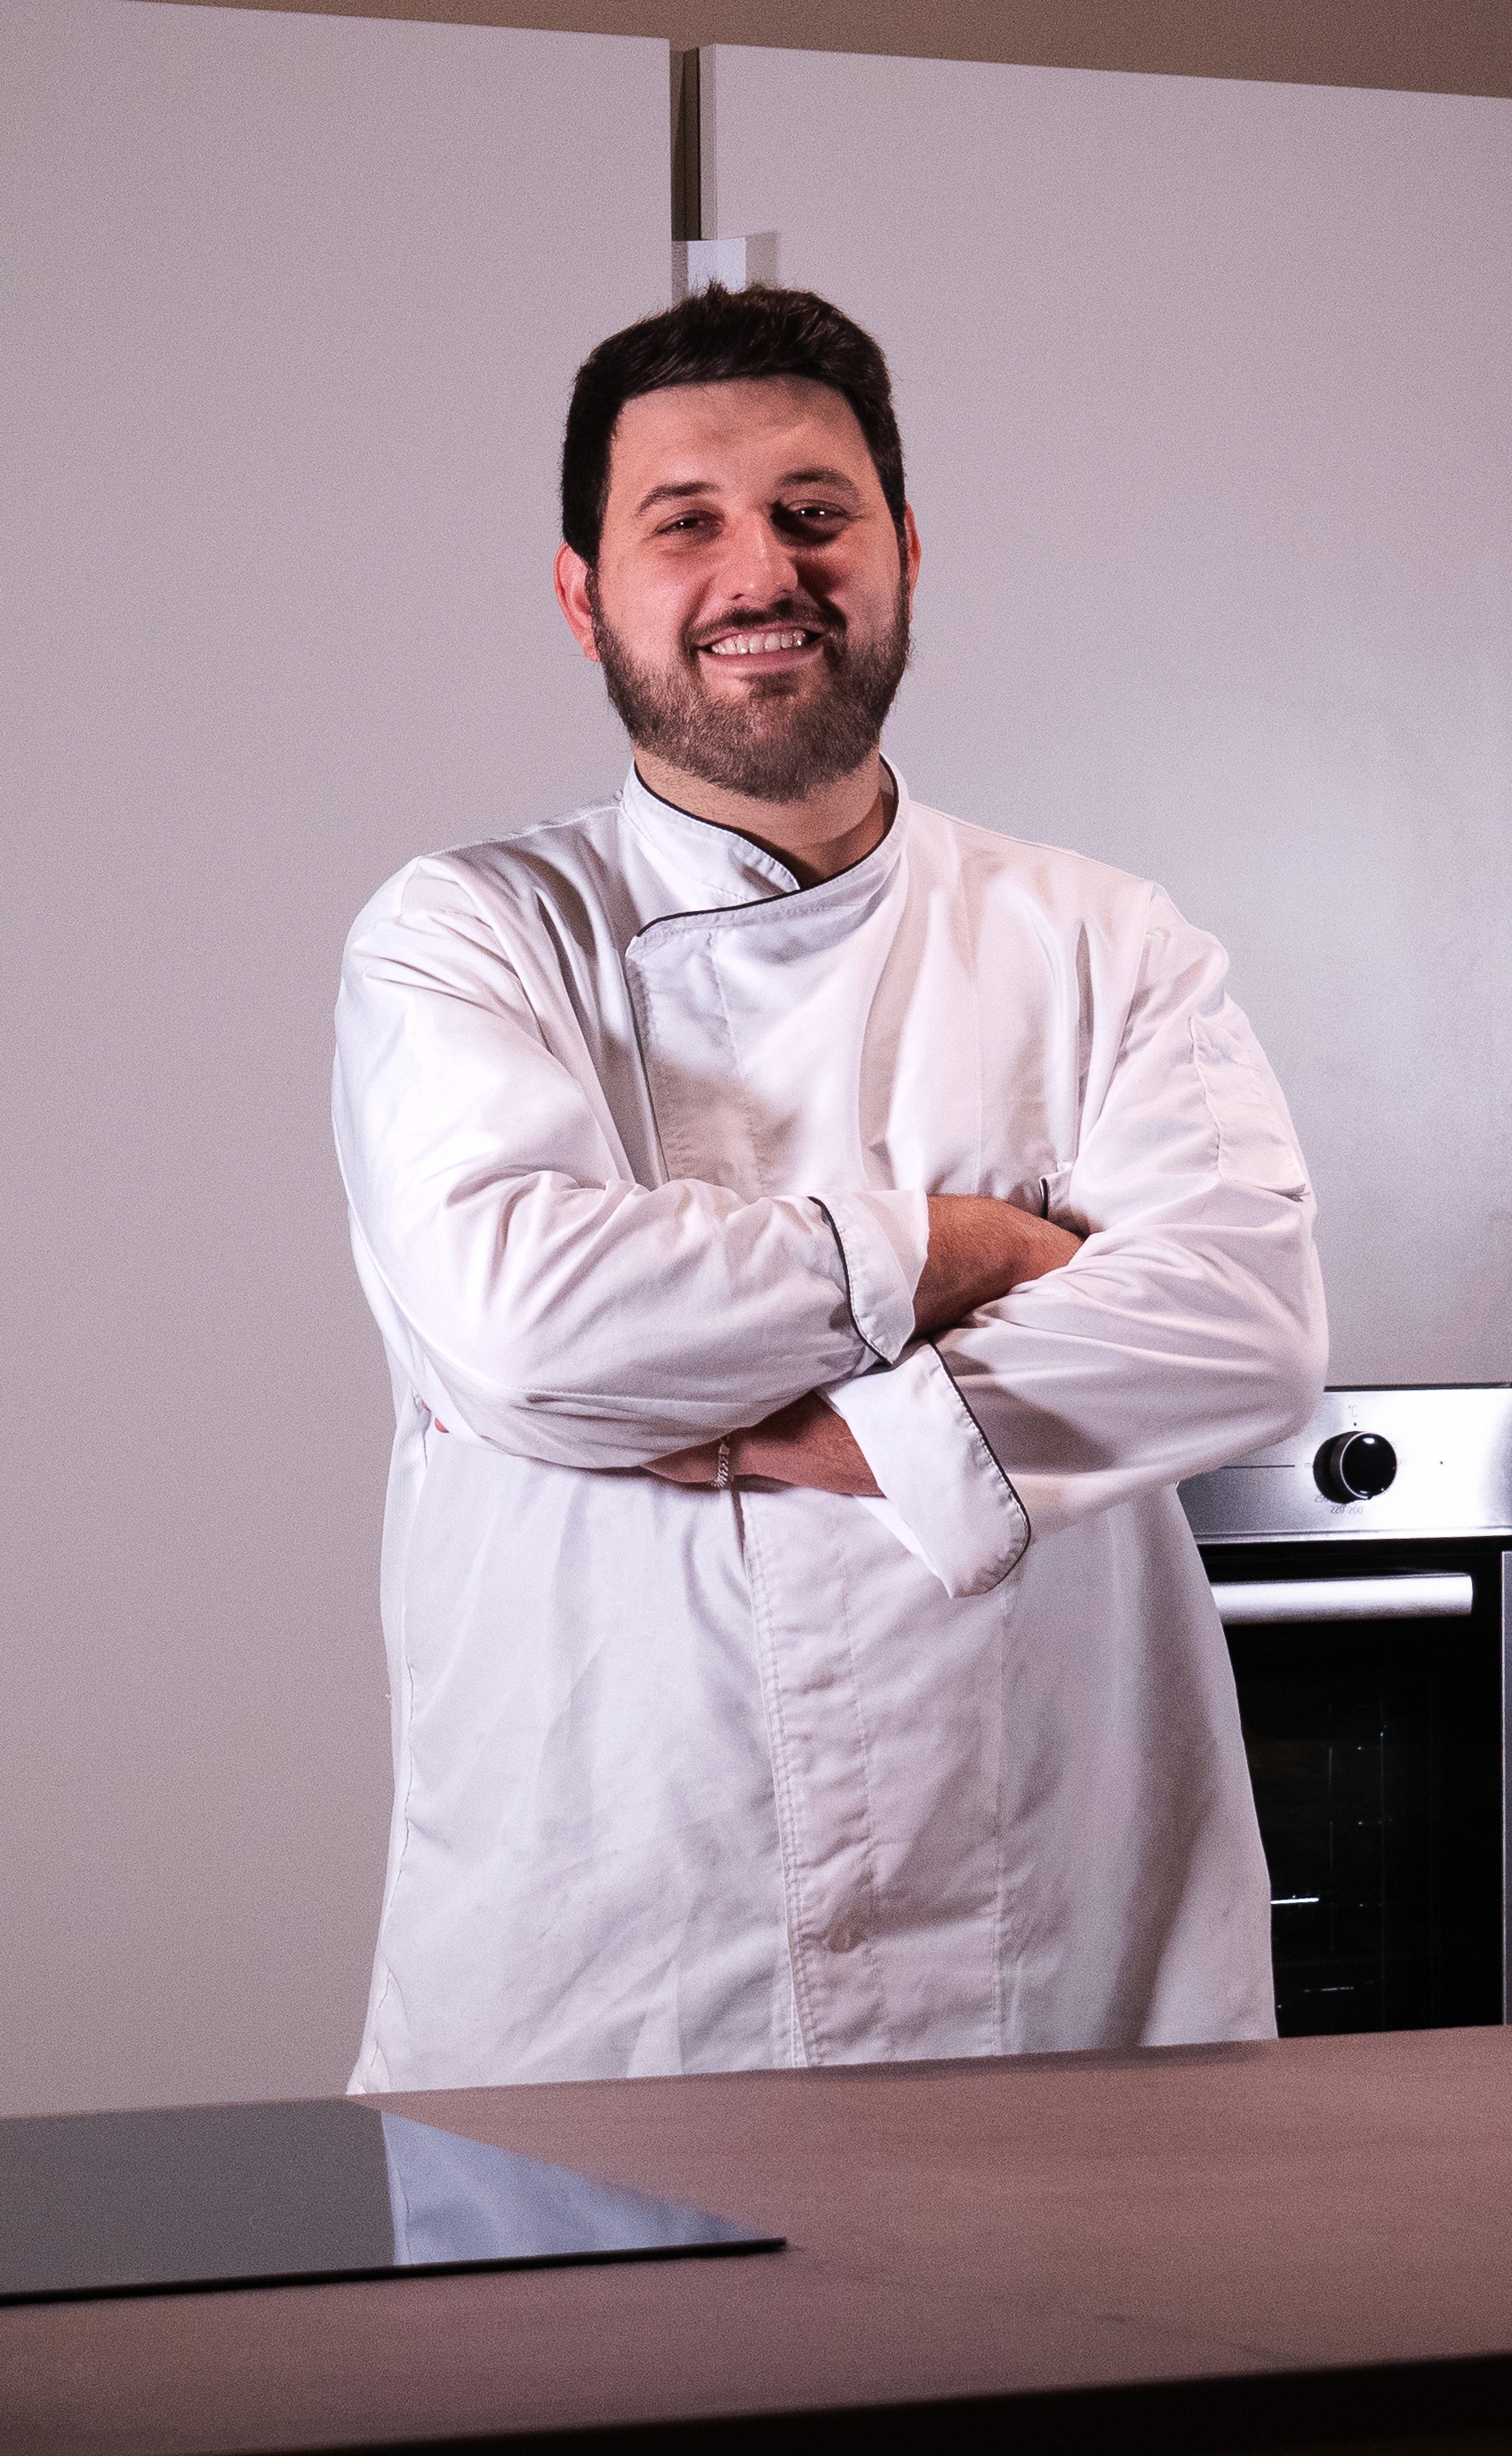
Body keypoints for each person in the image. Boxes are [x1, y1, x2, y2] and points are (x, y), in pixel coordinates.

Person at [328, 283, 1326, 2090]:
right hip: (613, 1968)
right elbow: (525, 1322)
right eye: (682, 523)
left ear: (902, 550)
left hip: (1046, 1951)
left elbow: (1241, 1328)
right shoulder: (469, 934)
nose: (759, 571)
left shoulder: (1099, 940)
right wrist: (957, 1249)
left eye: (811, 513)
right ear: (582, 598)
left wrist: (787, 1429)